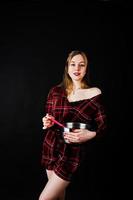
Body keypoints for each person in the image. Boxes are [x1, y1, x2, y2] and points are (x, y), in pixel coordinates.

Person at [39, 50, 107, 200]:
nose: (77, 69)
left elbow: (104, 127)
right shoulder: (55, 91)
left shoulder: (94, 94)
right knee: (58, 197)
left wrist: (91, 135)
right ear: (67, 67)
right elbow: (49, 117)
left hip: (70, 153)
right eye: (73, 64)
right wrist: (47, 121)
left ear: (86, 68)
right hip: (50, 146)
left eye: (81, 65)